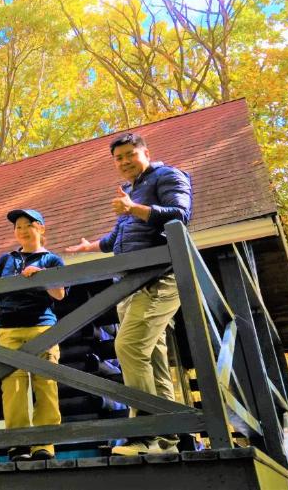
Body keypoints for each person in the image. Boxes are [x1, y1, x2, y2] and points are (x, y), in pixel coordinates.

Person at [66, 132, 192, 456]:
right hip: (130, 286)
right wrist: (89, 246)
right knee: (152, 359)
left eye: (129, 155)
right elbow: (118, 237)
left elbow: (180, 215)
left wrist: (133, 207)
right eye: (118, 158)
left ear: (145, 152)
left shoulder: (169, 176)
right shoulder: (132, 192)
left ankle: (144, 436)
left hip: (159, 279)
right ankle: (168, 440)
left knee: (128, 346)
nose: (123, 162)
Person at [0, 209, 65, 462]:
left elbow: (60, 295)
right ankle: (18, 444)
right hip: (8, 329)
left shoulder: (52, 260)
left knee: (46, 384)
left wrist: (42, 277)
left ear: (41, 229)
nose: (23, 230)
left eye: (29, 225)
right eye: (18, 227)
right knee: (12, 387)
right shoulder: (6, 259)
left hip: (42, 328)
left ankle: (44, 445)